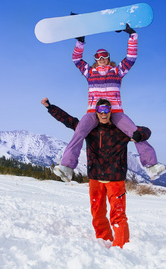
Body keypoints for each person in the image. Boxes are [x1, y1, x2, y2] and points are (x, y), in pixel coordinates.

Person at [57, 25, 166, 180]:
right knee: (79, 132)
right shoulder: (90, 72)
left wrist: (132, 36)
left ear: (108, 58)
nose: (101, 60)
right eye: (98, 57)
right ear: (95, 59)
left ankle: (151, 166)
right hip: (93, 112)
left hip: (115, 112)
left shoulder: (117, 71)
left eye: (104, 57)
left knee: (135, 132)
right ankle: (67, 167)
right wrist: (80, 42)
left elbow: (131, 58)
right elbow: (76, 59)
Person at [41, 97, 151, 248]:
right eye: (101, 110)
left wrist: (140, 134)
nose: (104, 113)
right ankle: (104, 240)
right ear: (96, 112)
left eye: (107, 110)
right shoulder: (89, 129)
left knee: (118, 215)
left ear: (111, 112)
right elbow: (68, 120)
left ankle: (122, 246)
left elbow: (145, 131)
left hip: (115, 179)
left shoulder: (121, 130)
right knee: (97, 214)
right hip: (95, 178)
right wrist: (50, 107)